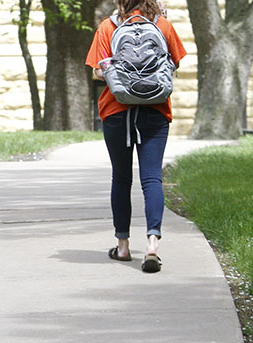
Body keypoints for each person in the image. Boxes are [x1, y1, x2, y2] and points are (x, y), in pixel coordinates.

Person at [85, 0, 187, 273]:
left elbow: (97, 71)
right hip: (155, 111)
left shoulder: (108, 27)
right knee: (152, 177)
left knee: (121, 177)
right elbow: (174, 63)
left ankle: (123, 247)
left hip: (116, 111)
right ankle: (152, 245)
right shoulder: (162, 25)